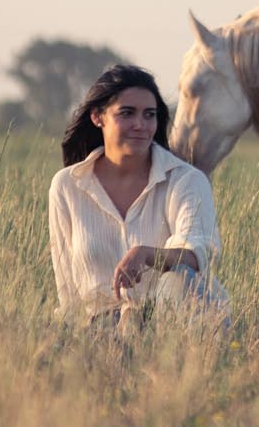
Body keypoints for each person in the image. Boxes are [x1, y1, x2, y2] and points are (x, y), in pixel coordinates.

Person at [48, 63, 226, 324]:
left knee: (179, 278)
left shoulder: (186, 180)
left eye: (149, 115)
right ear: (98, 117)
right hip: (100, 330)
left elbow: (198, 254)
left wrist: (145, 254)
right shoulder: (67, 185)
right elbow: (68, 290)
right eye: (127, 113)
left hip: (173, 327)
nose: (140, 125)